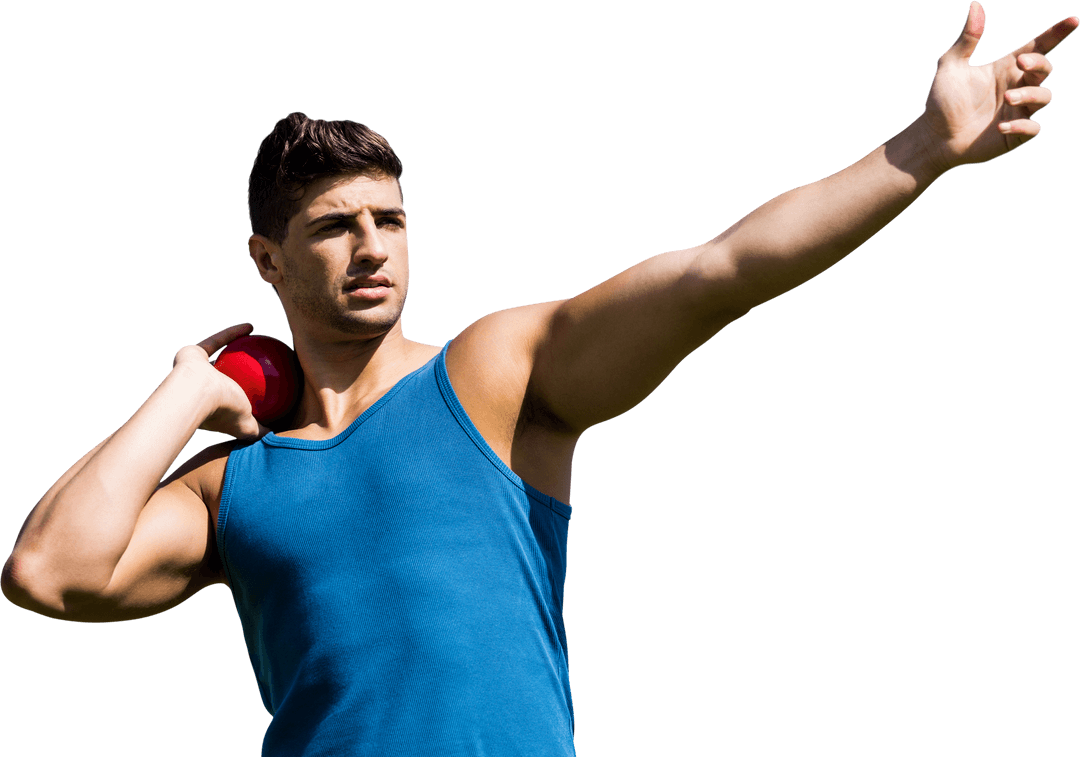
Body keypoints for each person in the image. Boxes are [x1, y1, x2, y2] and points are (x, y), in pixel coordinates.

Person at [4, 3, 1076, 755]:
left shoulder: (492, 375)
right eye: (334, 227)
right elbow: (49, 571)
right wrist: (191, 386)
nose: (373, 247)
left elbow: (720, 273)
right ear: (267, 261)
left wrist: (920, 151)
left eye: (391, 220)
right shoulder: (234, 486)